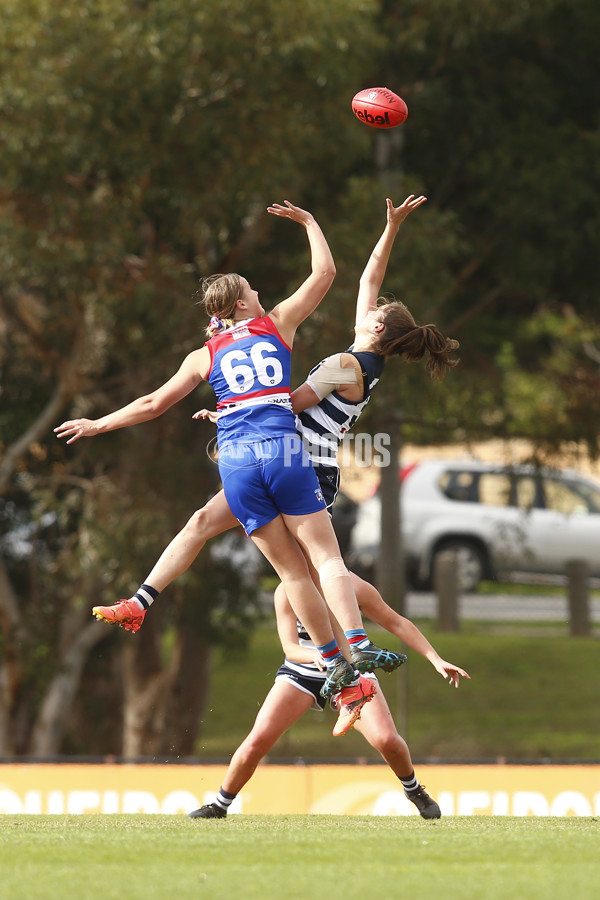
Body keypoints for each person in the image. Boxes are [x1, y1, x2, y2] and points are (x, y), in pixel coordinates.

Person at [89, 193, 460, 733]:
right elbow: (364, 280)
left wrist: (230, 411)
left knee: (306, 574)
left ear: (377, 329)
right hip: (285, 454)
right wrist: (391, 228)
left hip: (292, 456)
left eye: (377, 312)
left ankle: (349, 662)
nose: (372, 305)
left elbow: (289, 401)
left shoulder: (340, 364)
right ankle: (147, 601)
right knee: (244, 547)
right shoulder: (360, 353)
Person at [187, 579, 470, 821]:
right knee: (258, 739)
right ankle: (219, 805)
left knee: (387, 741)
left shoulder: (350, 584)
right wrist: (317, 657)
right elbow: (290, 647)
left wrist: (435, 658)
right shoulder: (287, 589)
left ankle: (414, 790)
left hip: (351, 671)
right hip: (304, 670)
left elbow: (395, 621)